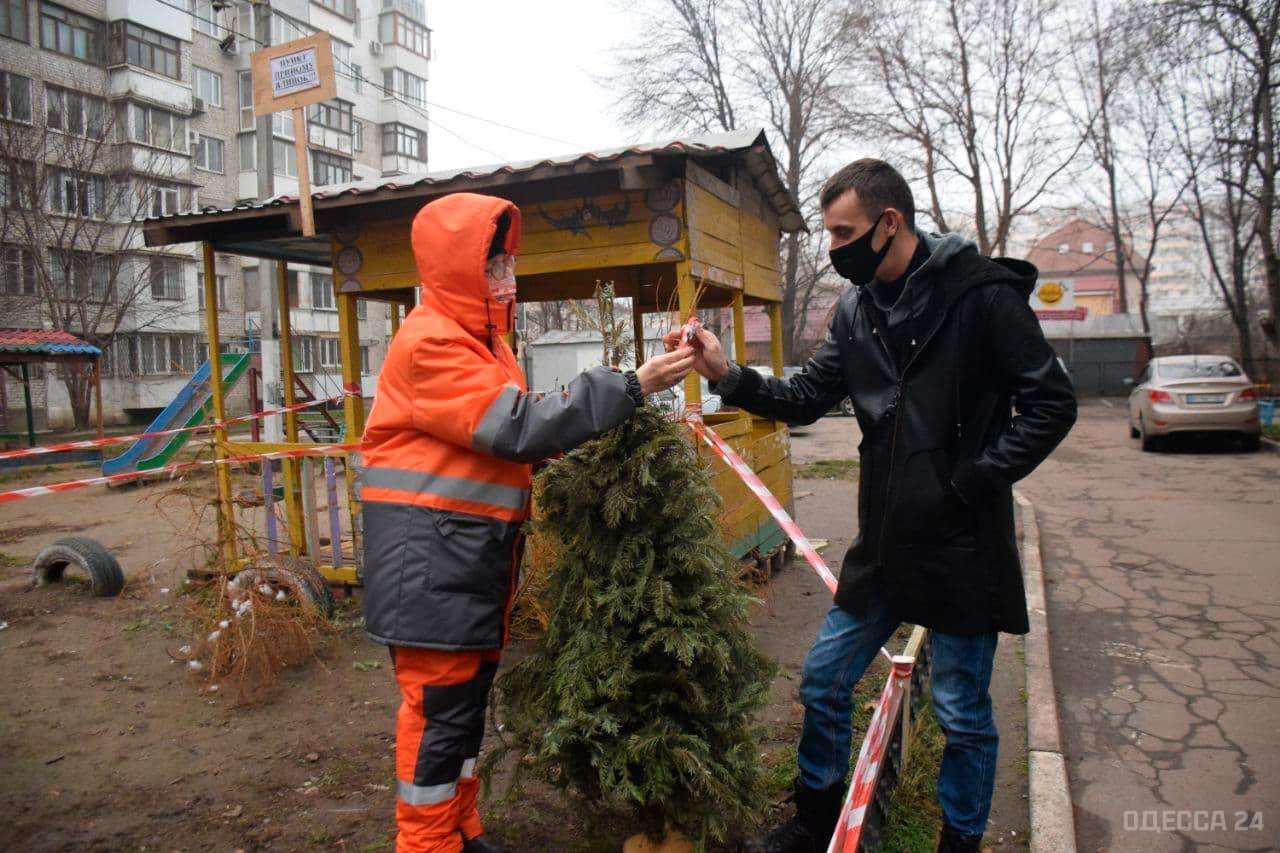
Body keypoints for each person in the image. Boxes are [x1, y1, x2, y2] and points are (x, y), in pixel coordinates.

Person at [665, 160, 1076, 853]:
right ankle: (816, 816)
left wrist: (969, 482)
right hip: (884, 545)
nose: (835, 249)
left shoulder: (982, 295)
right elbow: (805, 397)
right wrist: (727, 373)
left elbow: (1051, 403)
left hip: (962, 545)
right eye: (829, 234)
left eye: (844, 232)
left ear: (891, 223)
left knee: (962, 712)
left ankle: (960, 841)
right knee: (823, 679)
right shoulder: (856, 311)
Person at [360, 192, 695, 853]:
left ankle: (463, 828)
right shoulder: (430, 343)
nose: (507, 281)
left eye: (510, 265)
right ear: (456, 268)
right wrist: (633, 385)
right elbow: (519, 425)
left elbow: (517, 441)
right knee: (436, 723)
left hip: (469, 563)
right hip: (429, 571)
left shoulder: (488, 347)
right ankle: (426, 844)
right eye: (493, 268)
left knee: (462, 718)